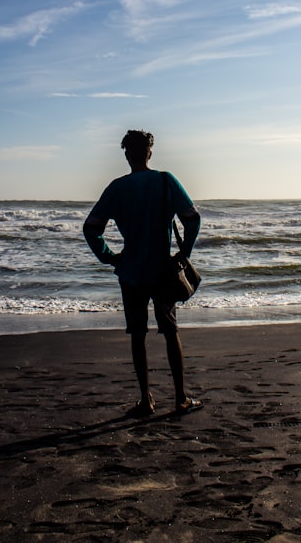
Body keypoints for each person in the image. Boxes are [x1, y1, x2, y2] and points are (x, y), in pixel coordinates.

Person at [83, 129, 203, 417]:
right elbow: (192, 218)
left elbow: (91, 228)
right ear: (150, 152)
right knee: (170, 331)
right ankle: (180, 398)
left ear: (127, 154)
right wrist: (184, 252)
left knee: (138, 335)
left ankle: (146, 401)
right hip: (162, 269)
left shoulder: (117, 188)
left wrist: (109, 257)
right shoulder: (164, 180)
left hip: (131, 271)